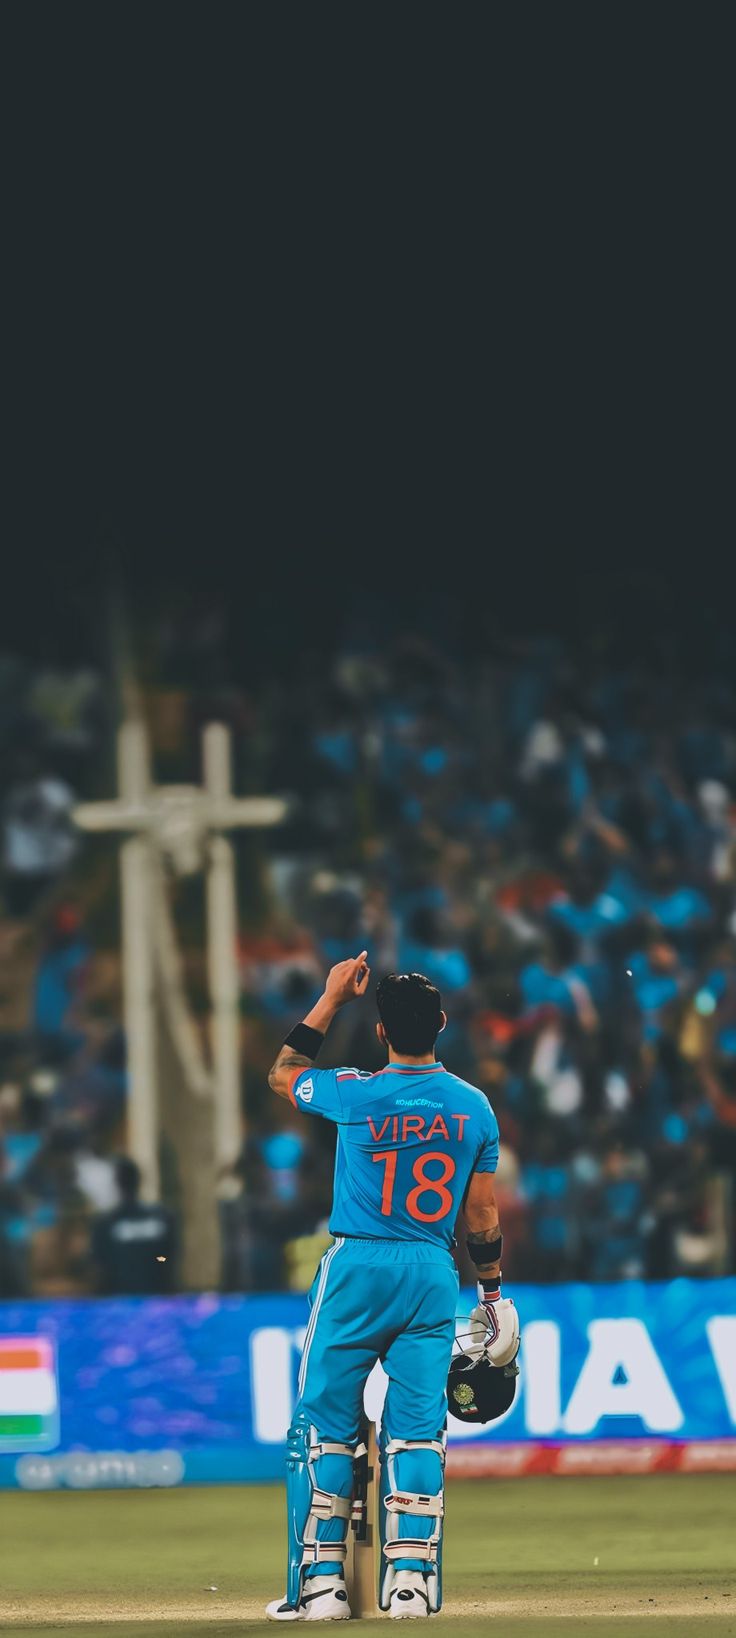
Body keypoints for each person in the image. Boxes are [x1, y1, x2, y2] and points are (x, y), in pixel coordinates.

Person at [265, 956, 516, 1621]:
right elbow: (482, 1217)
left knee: (323, 1423)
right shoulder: (473, 1107)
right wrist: (491, 1294)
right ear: (440, 1025)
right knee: (416, 1428)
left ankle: (322, 1588)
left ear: (380, 1032)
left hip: (356, 1267)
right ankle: (411, 1583)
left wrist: (327, 1000)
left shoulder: (354, 1091)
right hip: (432, 1273)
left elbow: (282, 1074)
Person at [90, 1157, 176, 1294]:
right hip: (157, 1297)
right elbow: (168, 1257)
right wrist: (156, 1261)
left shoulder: (106, 1223)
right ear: (139, 1181)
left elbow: (101, 1264)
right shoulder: (163, 1218)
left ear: (117, 1183)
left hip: (121, 1299)